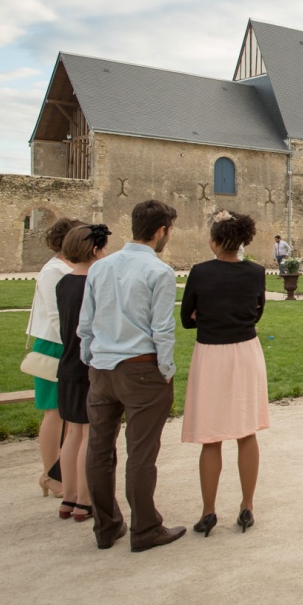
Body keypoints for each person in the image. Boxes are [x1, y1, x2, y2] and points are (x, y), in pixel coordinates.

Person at [79, 199, 185, 552]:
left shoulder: (100, 268)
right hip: (141, 368)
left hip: (102, 368)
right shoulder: (159, 272)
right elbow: (162, 329)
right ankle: (145, 527)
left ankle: (106, 526)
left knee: (99, 450)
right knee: (141, 452)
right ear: (160, 231)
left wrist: (91, 360)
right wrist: (166, 370)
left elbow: (86, 323)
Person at [181, 211, 269, 538]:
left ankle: (208, 511)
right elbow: (258, 309)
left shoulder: (201, 272)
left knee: (211, 435)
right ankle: (247, 505)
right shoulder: (256, 272)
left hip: (211, 353)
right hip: (245, 350)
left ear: (216, 241)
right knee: (246, 432)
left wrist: (202, 316)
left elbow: (186, 318)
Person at [54, 223, 110, 522]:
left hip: (66, 365)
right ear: (95, 250)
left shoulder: (63, 283)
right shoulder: (95, 283)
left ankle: (69, 497)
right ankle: (85, 501)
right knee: (89, 433)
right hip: (88, 363)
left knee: (72, 432)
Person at [26, 216, 84, 498]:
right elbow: (55, 314)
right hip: (54, 345)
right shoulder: (54, 271)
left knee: (69, 413)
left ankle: (64, 471)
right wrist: (73, 345)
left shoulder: (69, 267)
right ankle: (50, 474)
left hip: (69, 345)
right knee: (55, 411)